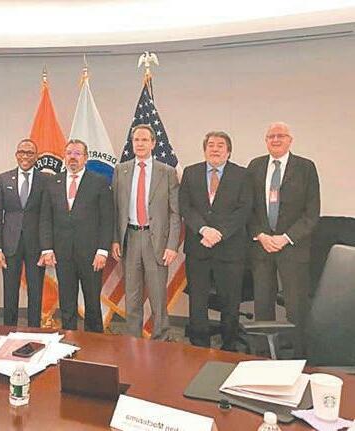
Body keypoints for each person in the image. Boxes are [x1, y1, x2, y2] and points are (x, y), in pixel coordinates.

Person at [247, 121, 320, 356]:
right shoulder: (255, 166)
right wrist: (261, 235)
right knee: (262, 305)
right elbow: (248, 208)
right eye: (271, 136)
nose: (276, 140)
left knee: (296, 307)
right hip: (262, 247)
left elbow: (312, 213)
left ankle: (300, 357)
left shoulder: (306, 168)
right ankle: (263, 355)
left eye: (281, 135)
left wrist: (286, 238)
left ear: (290, 140)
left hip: (293, 248)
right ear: (266, 141)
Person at [179, 131, 253, 350]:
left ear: (228, 151)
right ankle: (198, 346)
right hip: (198, 247)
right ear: (204, 150)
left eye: (220, 145)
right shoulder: (191, 172)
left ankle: (229, 346)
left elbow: (244, 209)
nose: (215, 148)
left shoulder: (242, 175)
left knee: (230, 301)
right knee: (197, 300)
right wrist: (203, 229)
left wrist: (219, 233)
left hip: (230, 249)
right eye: (211, 145)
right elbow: (185, 206)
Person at [111, 124, 181, 340]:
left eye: (144, 140)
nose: (140, 144)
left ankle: (160, 338)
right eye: (136, 140)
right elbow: (115, 209)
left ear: (153, 143)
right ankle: (133, 340)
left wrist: (172, 246)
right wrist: (115, 240)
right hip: (130, 239)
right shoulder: (120, 170)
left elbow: (175, 213)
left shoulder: (166, 172)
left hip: (156, 241)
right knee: (132, 295)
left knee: (158, 296)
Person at [40, 139, 113, 333]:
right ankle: (68, 339)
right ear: (65, 156)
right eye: (69, 153)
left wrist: (103, 251)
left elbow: (107, 219)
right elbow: (46, 218)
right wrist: (47, 248)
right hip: (62, 254)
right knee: (66, 302)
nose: (73, 157)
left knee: (92, 303)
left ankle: (94, 342)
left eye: (77, 153)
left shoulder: (99, 182)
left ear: (86, 158)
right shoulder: (53, 182)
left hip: (91, 254)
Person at [0, 138, 46, 327]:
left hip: (36, 245)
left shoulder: (45, 180)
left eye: (30, 153)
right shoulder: (4, 178)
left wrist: (47, 248)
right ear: (16, 155)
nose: (25, 156)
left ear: (36, 157)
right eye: (22, 152)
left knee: (35, 292)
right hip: (9, 244)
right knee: (10, 291)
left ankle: (34, 330)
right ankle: (9, 330)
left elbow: (47, 216)